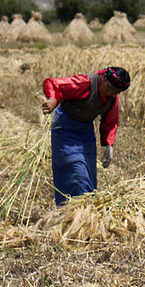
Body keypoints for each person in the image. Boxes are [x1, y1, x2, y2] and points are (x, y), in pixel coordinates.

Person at [41, 66, 131, 205]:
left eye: (115, 92)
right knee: (76, 170)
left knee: (88, 174)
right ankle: (68, 209)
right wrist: (53, 99)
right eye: (109, 88)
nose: (111, 93)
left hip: (85, 132)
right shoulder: (85, 83)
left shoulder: (112, 98)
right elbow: (53, 83)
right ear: (105, 78)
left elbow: (110, 121)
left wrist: (109, 144)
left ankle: (85, 210)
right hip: (65, 128)